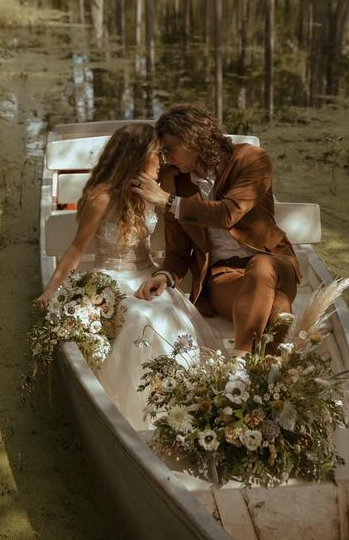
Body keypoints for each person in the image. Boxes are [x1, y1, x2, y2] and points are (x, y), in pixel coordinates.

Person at [36, 123, 219, 429]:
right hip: (113, 278)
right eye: (156, 155)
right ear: (135, 157)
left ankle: (189, 403)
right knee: (139, 318)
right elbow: (76, 250)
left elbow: (194, 175)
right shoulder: (102, 197)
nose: (162, 161)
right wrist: (50, 290)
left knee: (172, 318)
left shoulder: (158, 187)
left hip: (149, 274)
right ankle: (145, 416)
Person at [134, 104, 301, 356]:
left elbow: (227, 213)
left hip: (276, 265)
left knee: (262, 266)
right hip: (224, 275)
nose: (167, 158)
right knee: (279, 308)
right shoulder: (176, 183)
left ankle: (240, 363)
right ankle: (267, 382)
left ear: (193, 140)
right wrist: (164, 276)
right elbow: (178, 253)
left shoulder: (251, 160)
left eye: (170, 149)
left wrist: (166, 201)